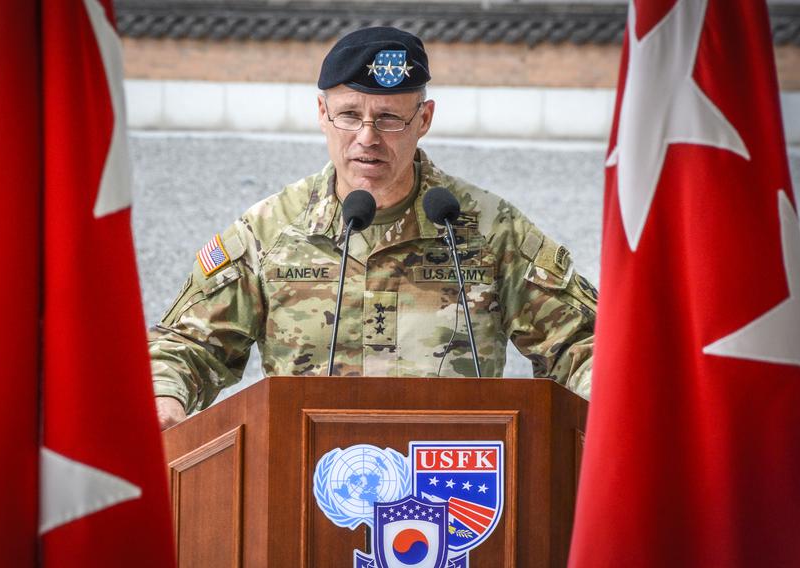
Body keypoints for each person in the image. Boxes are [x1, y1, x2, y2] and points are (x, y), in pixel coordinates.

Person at [150, 27, 598, 428]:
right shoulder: (271, 231)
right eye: (349, 115)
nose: (367, 137)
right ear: (322, 113)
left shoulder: (489, 229)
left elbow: (581, 343)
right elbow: (188, 345)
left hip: (449, 477)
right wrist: (164, 398)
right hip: (302, 478)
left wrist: (605, 394)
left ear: (423, 120)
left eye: (388, 118)